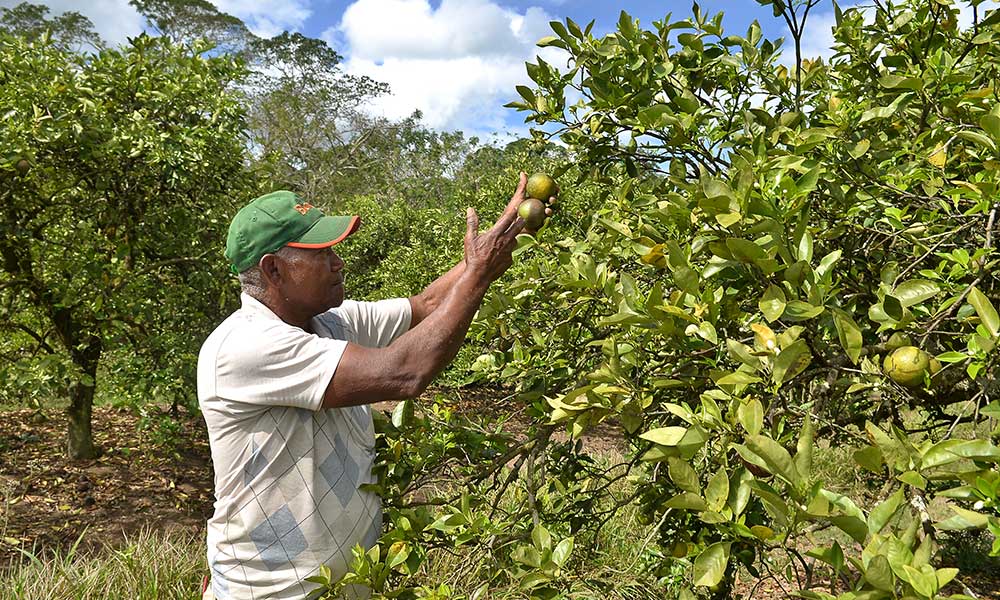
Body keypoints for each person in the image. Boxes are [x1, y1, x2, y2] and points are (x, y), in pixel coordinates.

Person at [197, 173, 551, 600]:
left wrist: (503, 237)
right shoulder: (246, 346)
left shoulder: (329, 323)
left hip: (346, 588)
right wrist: (477, 273)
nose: (337, 261)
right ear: (274, 269)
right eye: (320, 253)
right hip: (272, 593)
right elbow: (405, 371)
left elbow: (429, 306)